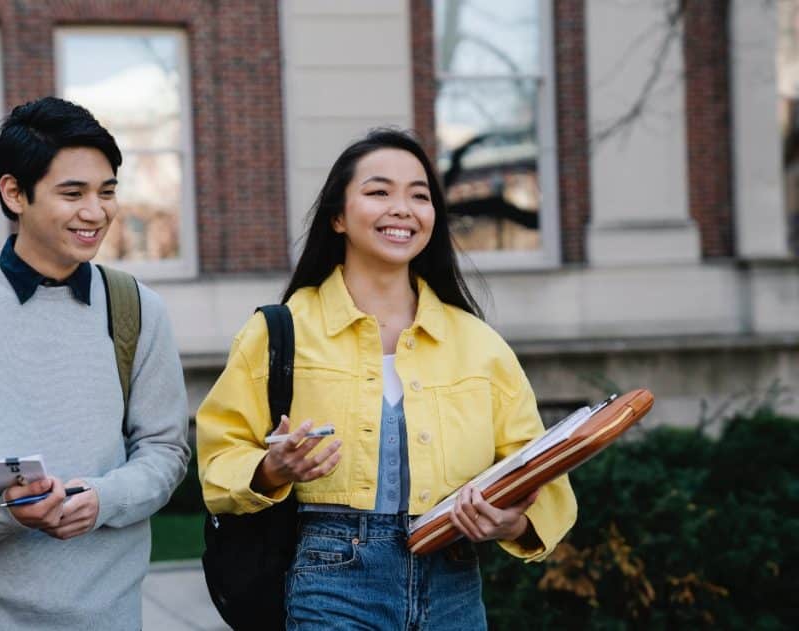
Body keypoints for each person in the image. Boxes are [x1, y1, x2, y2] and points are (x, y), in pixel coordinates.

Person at [196, 129, 576, 629]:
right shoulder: (279, 331)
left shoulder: (479, 343)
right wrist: (272, 469)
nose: (402, 208)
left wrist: (514, 521)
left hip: (454, 584)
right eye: (379, 192)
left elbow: (542, 472)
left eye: (419, 196)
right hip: (329, 582)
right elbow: (219, 459)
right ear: (338, 216)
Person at [0, 96, 190, 630]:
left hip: (110, 612)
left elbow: (165, 451)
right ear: (14, 192)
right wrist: (2, 509)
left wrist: (101, 499)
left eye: (107, 192)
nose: (95, 212)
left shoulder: (139, 308)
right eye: (72, 193)